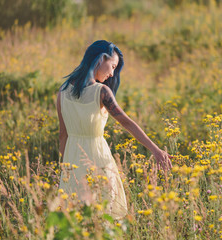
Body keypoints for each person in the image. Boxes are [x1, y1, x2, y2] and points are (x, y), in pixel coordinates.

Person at [56, 40, 173, 220]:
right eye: (112, 66)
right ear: (101, 59)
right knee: (102, 220)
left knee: (76, 221)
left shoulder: (63, 91)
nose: (112, 74)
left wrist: (65, 170)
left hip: (72, 163)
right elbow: (126, 122)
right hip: (98, 161)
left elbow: (63, 135)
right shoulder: (101, 92)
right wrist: (156, 151)